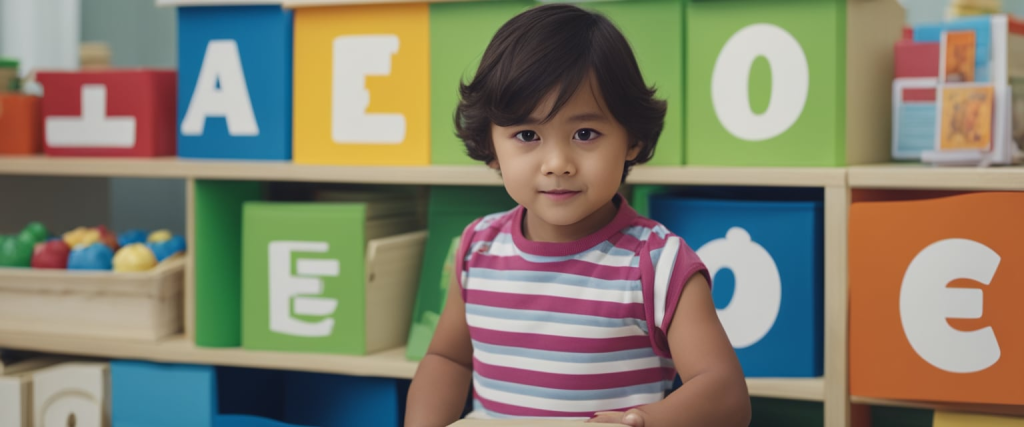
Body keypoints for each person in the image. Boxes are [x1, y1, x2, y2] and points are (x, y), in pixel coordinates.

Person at [405, 4, 750, 426]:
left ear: (633, 140)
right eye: (527, 135)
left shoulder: (658, 264)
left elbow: (725, 393)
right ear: (490, 145)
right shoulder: (478, 246)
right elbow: (447, 358)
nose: (557, 162)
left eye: (585, 134)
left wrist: (640, 420)